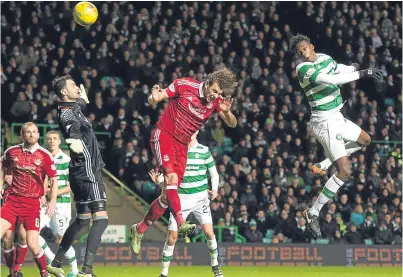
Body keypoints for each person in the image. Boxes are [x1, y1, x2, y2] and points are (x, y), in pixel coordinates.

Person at [130, 68, 238, 254]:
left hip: (182, 146)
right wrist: (153, 98)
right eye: (213, 91)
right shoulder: (184, 85)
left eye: (219, 94)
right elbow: (158, 96)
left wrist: (227, 113)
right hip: (164, 135)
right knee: (171, 180)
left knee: (166, 197)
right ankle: (182, 222)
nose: (215, 96)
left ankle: (139, 229)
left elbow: (232, 124)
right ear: (207, 81)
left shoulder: (217, 102)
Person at [289, 34, 383, 237]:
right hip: (324, 122)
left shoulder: (324, 58)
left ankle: (324, 164)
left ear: (311, 46)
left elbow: (337, 68)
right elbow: (331, 79)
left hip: (337, 116)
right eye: (299, 52)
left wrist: (353, 68)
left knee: (366, 140)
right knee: (344, 171)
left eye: (304, 48)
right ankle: (312, 212)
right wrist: (363, 72)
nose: (303, 53)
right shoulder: (302, 69)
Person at [46, 75, 108, 277]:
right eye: (73, 85)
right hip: (88, 170)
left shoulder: (74, 107)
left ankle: (56, 263)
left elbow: (79, 104)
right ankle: (86, 271)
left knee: (82, 220)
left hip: (79, 171)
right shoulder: (67, 115)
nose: (77, 87)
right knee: (101, 220)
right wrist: (73, 140)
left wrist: (82, 97)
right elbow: (72, 127)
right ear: (63, 92)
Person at [149, 131, 224, 277]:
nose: (191, 133)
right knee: (172, 237)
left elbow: (214, 173)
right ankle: (163, 273)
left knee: (209, 232)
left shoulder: (204, 151)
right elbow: (169, 175)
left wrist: (215, 189)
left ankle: (215, 265)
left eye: (194, 130)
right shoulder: (177, 151)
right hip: (180, 200)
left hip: (201, 199)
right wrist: (159, 180)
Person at [1, 122, 59, 277]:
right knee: (4, 237)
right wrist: (1, 184)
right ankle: (14, 273)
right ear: (22, 135)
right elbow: (3, 167)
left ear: (38, 135)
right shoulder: (12, 152)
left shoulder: (45, 155)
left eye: (34, 131)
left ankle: (44, 273)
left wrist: (52, 201)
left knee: (33, 244)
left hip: (32, 204)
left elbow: (54, 180)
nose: (31, 134)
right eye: (28, 132)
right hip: (12, 201)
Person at [38, 131, 78, 277]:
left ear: (59, 141)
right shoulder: (42, 159)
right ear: (45, 141)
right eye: (49, 139)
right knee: (32, 232)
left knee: (61, 239)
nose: (52, 141)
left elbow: (73, 185)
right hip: (44, 204)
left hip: (61, 204)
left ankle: (74, 270)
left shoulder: (67, 160)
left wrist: (54, 192)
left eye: (55, 138)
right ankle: (51, 262)